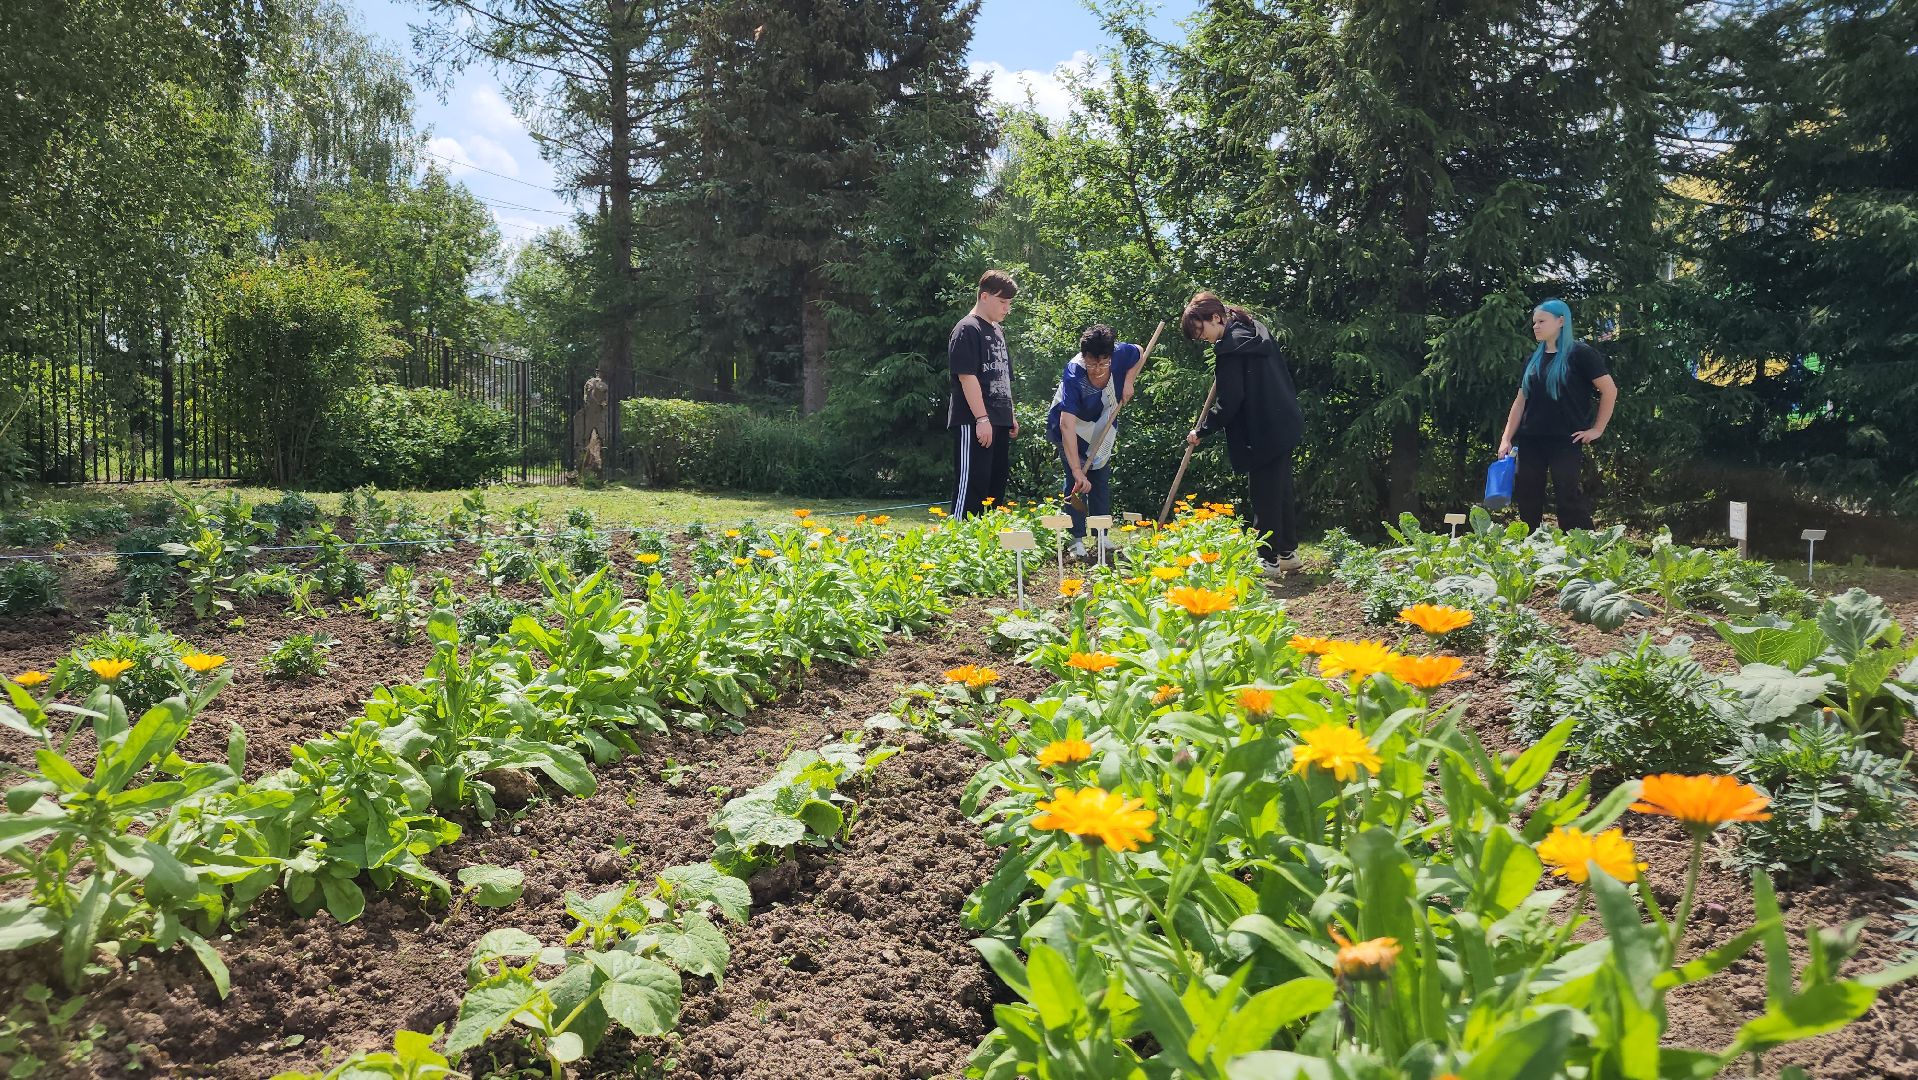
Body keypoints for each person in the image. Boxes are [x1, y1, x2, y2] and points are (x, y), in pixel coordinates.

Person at [1181, 292, 1306, 575]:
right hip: (1283, 418)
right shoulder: (1255, 331)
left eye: (1202, 331)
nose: (1204, 339)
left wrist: (1203, 429)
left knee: (1264, 493)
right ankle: (1287, 553)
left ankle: (1269, 559)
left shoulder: (1230, 350)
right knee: (1280, 488)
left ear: (1216, 318)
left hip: (1261, 428)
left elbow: (1230, 401)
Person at [1496, 299, 1618, 531]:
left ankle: (1584, 551)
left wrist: (1597, 429)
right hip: (1531, 440)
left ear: (1561, 321)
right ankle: (1529, 549)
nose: (1536, 326)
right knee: (1528, 496)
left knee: (1568, 496)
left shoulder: (1581, 354)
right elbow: (1520, 401)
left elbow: (1609, 390)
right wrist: (1506, 438)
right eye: (1534, 322)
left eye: (1542, 321)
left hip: (1567, 439)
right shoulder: (1532, 360)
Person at [1046, 325, 1147, 558]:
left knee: (1100, 478)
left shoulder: (1121, 353)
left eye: (1103, 364)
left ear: (1111, 357)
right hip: (1071, 426)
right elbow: (1066, 424)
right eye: (1092, 363)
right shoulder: (1074, 373)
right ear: (1084, 357)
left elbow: (1140, 351)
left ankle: (1101, 533)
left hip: (1102, 420)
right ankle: (1076, 538)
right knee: (1076, 480)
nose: (1097, 370)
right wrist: (1077, 470)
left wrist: (1129, 381)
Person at [948, 270, 1019, 517]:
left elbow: (1001, 377)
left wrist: (1010, 415)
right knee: (972, 489)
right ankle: (957, 544)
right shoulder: (967, 329)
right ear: (984, 296)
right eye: (1002, 302)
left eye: (1009, 303)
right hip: (974, 421)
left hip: (999, 421)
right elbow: (966, 377)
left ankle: (987, 546)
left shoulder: (998, 331)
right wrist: (982, 419)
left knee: (994, 490)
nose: (1006, 308)